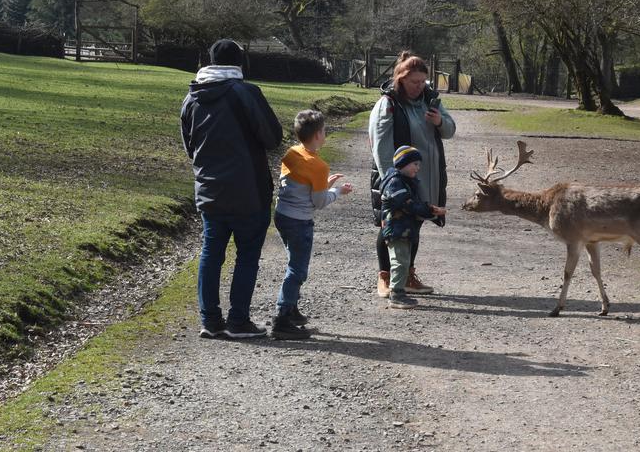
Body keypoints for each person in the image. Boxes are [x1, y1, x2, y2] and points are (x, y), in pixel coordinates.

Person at [181, 39, 283, 340]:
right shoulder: (247, 93)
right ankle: (238, 320)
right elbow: (272, 137)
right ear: (240, 63)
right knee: (247, 255)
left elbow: (190, 146)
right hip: (249, 189)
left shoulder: (192, 97)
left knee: (211, 252)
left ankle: (210, 321)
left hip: (209, 188)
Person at [368, 51, 456, 298]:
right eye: (414, 82)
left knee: (415, 223)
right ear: (401, 79)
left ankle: (407, 275)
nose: (419, 87)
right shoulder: (388, 104)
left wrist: (440, 121)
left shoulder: (432, 101)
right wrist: (390, 184)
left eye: (422, 82)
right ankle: (385, 277)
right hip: (396, 180)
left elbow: (450, 131)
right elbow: (381, 148)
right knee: (391, 224)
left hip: (425, 177)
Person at [272, 110, 353, 340]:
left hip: (282, 216)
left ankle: (292, 309)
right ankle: (282, 317)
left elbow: (301, 188)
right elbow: (318, 202)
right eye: (324, 130)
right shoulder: (318, 165)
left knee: (293, 262)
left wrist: (325, 183)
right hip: (299, 222)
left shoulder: (292, 153)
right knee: (297, 269)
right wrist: (337, 191)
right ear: (318, 134)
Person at [379, 146, 446, 309]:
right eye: (414, 164)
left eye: (418, 164)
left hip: (405, 229)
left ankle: (401, 290)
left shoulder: (406, 181)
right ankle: (396, 295)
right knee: (399, 261)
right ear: (402, 164)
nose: (418, 167)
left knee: (404, 260)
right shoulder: (395, 183)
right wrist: (430, 210)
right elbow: (408, 204)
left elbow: (413, 203)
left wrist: (430, 210)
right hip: (395, 229)